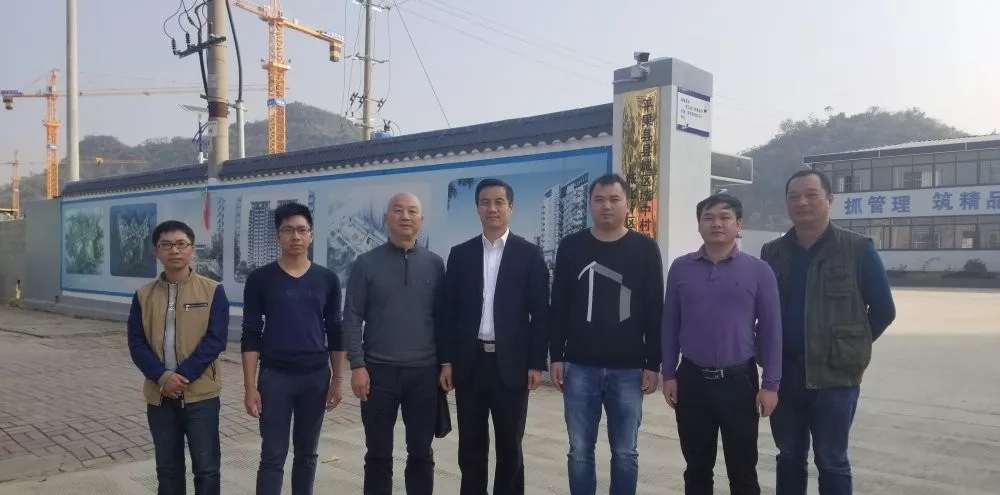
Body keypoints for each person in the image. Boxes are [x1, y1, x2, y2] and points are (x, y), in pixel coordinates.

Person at [760, 169, 896, 495]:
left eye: (811, 195)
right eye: (794, 196)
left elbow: (883, 310)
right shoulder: (772, 252)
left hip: (835, 379)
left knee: (832, 460)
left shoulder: (857, 249)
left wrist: (848, 348)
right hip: (785, 374)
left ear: (830, 200)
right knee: (789, 455)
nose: (802, 202)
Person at [549, 173, 664, 495]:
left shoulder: (645, 249)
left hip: (629, 369)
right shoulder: (572, 246)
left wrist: (653, 363)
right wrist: (556, 356)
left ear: (627, 204)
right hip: (579, 367)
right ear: (590, 205)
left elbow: (655, 309)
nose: (607, 206)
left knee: (625, 452)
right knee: (579, 450)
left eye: (614, 199)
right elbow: (559, 305)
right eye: (599, 200)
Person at [660, 194, 782, 495]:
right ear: (699, 225)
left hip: (739, 383)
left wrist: (771, 384)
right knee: (697, 470)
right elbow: (670, 323)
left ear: (738, 224)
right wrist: (669, 374)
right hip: (692, 380)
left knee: (743, 472)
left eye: (725, 217)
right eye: (708, 217)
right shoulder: (681, 268)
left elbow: (772, 329)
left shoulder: (759, 271)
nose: (716, 223)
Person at [439, 178, 550, 495]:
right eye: (485, 202)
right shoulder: (461, 255)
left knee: (510, 446)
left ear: (511, 207)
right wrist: (447, 361)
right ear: (477, 209)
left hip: (511, 366)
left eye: (499, 202)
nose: (492, 208)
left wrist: (535, 363)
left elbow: (541, 313)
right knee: (470, 446)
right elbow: (448, 312)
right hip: (470, 364)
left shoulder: (529, 255)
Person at [344, 192, 446, 495]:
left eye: (412, 211)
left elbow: (444, 320)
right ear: (386, 218)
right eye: (398, 210)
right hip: (378, 374)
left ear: (421, 220)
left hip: (424, 374)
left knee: (421, 452)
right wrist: (357, 365)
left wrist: (446, 364)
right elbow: (351, 317)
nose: (405, 216)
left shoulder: (435, 265)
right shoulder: (366, 264)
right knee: (377, 454)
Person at [240, 202, 345, 495]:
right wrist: (250, 386)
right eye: (288, 230)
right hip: (275, 377)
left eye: (302, 230)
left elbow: (335, 330)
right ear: (278, 236)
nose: (295, 236)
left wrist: (337, 379)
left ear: (311, 235)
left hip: (315, 377)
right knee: (273, 455)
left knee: (307, 453)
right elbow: (251, 334)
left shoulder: (327, 279)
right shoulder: (260, 279)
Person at [127, 220, 230, 495]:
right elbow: (136, 343)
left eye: (181, 244)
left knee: (207, 469)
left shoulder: (212, 290)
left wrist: (182, 376)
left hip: (201, 396)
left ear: (192, 250)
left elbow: (216, 340)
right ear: (156, 252)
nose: (174, 250)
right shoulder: (143, 295)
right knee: (168, 469)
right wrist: (163, 377)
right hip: (160, 397)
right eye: (166, 245)